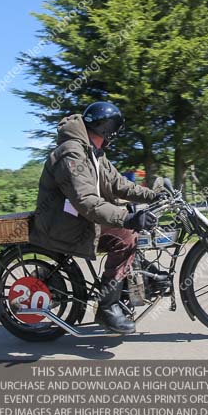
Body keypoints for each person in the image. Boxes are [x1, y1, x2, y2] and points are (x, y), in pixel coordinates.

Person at [33, 102, 166, 334]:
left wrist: (153, 195)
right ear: (108, 130)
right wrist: (127, 219)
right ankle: (107, 307)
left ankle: (130, 286)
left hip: (75, 217)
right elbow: (85, 201)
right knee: (125, 236)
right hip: (62, 223)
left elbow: (118, 184)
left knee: (132, 223)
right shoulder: (71, 153)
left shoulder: (93, 152)